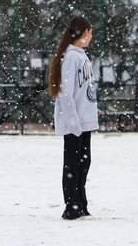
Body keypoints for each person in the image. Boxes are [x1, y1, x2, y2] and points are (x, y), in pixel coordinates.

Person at [47, 16, 99, 220]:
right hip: (74, 124)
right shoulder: (70, 57)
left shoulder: (81, 55)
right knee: (72, 164)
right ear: (86, 32)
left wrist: (91, 109)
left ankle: (81, 202)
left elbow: (83, 88)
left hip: (84, 121)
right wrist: (74, 123)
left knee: (83, 164)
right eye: (91, 32)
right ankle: (71, 205)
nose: (91, 36)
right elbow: (65, 92)